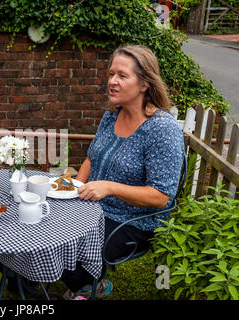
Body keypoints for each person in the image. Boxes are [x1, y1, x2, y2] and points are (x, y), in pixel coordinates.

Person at [60, 45, 185, 299]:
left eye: (122, 76)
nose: (112, 82)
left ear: (144, 84)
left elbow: (162, 196)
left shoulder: (162, 129)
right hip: (91, 204)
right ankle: (62, 277)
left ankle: (89, 286)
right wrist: (71, 189)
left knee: (66, 249)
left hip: (131, 220)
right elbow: (91, 159)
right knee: (46, 225)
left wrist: (109, 187)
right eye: (111, 74)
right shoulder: (111, 114)